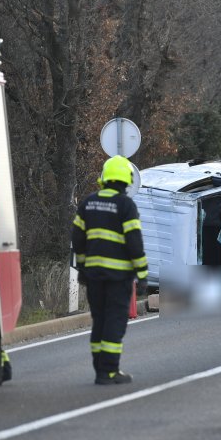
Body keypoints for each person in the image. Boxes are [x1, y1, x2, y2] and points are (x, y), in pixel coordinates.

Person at [72, 155, 148, 384]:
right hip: (118, 278)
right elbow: (134, 242)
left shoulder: (88, 202)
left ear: (104, 178)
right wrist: (143, 274)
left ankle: (99, 369)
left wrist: (83, 266)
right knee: (115, 322)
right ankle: (109, 371)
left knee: (100, 320)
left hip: (94, 276)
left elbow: (77, 237)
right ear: (126, 180)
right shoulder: (126, 205)